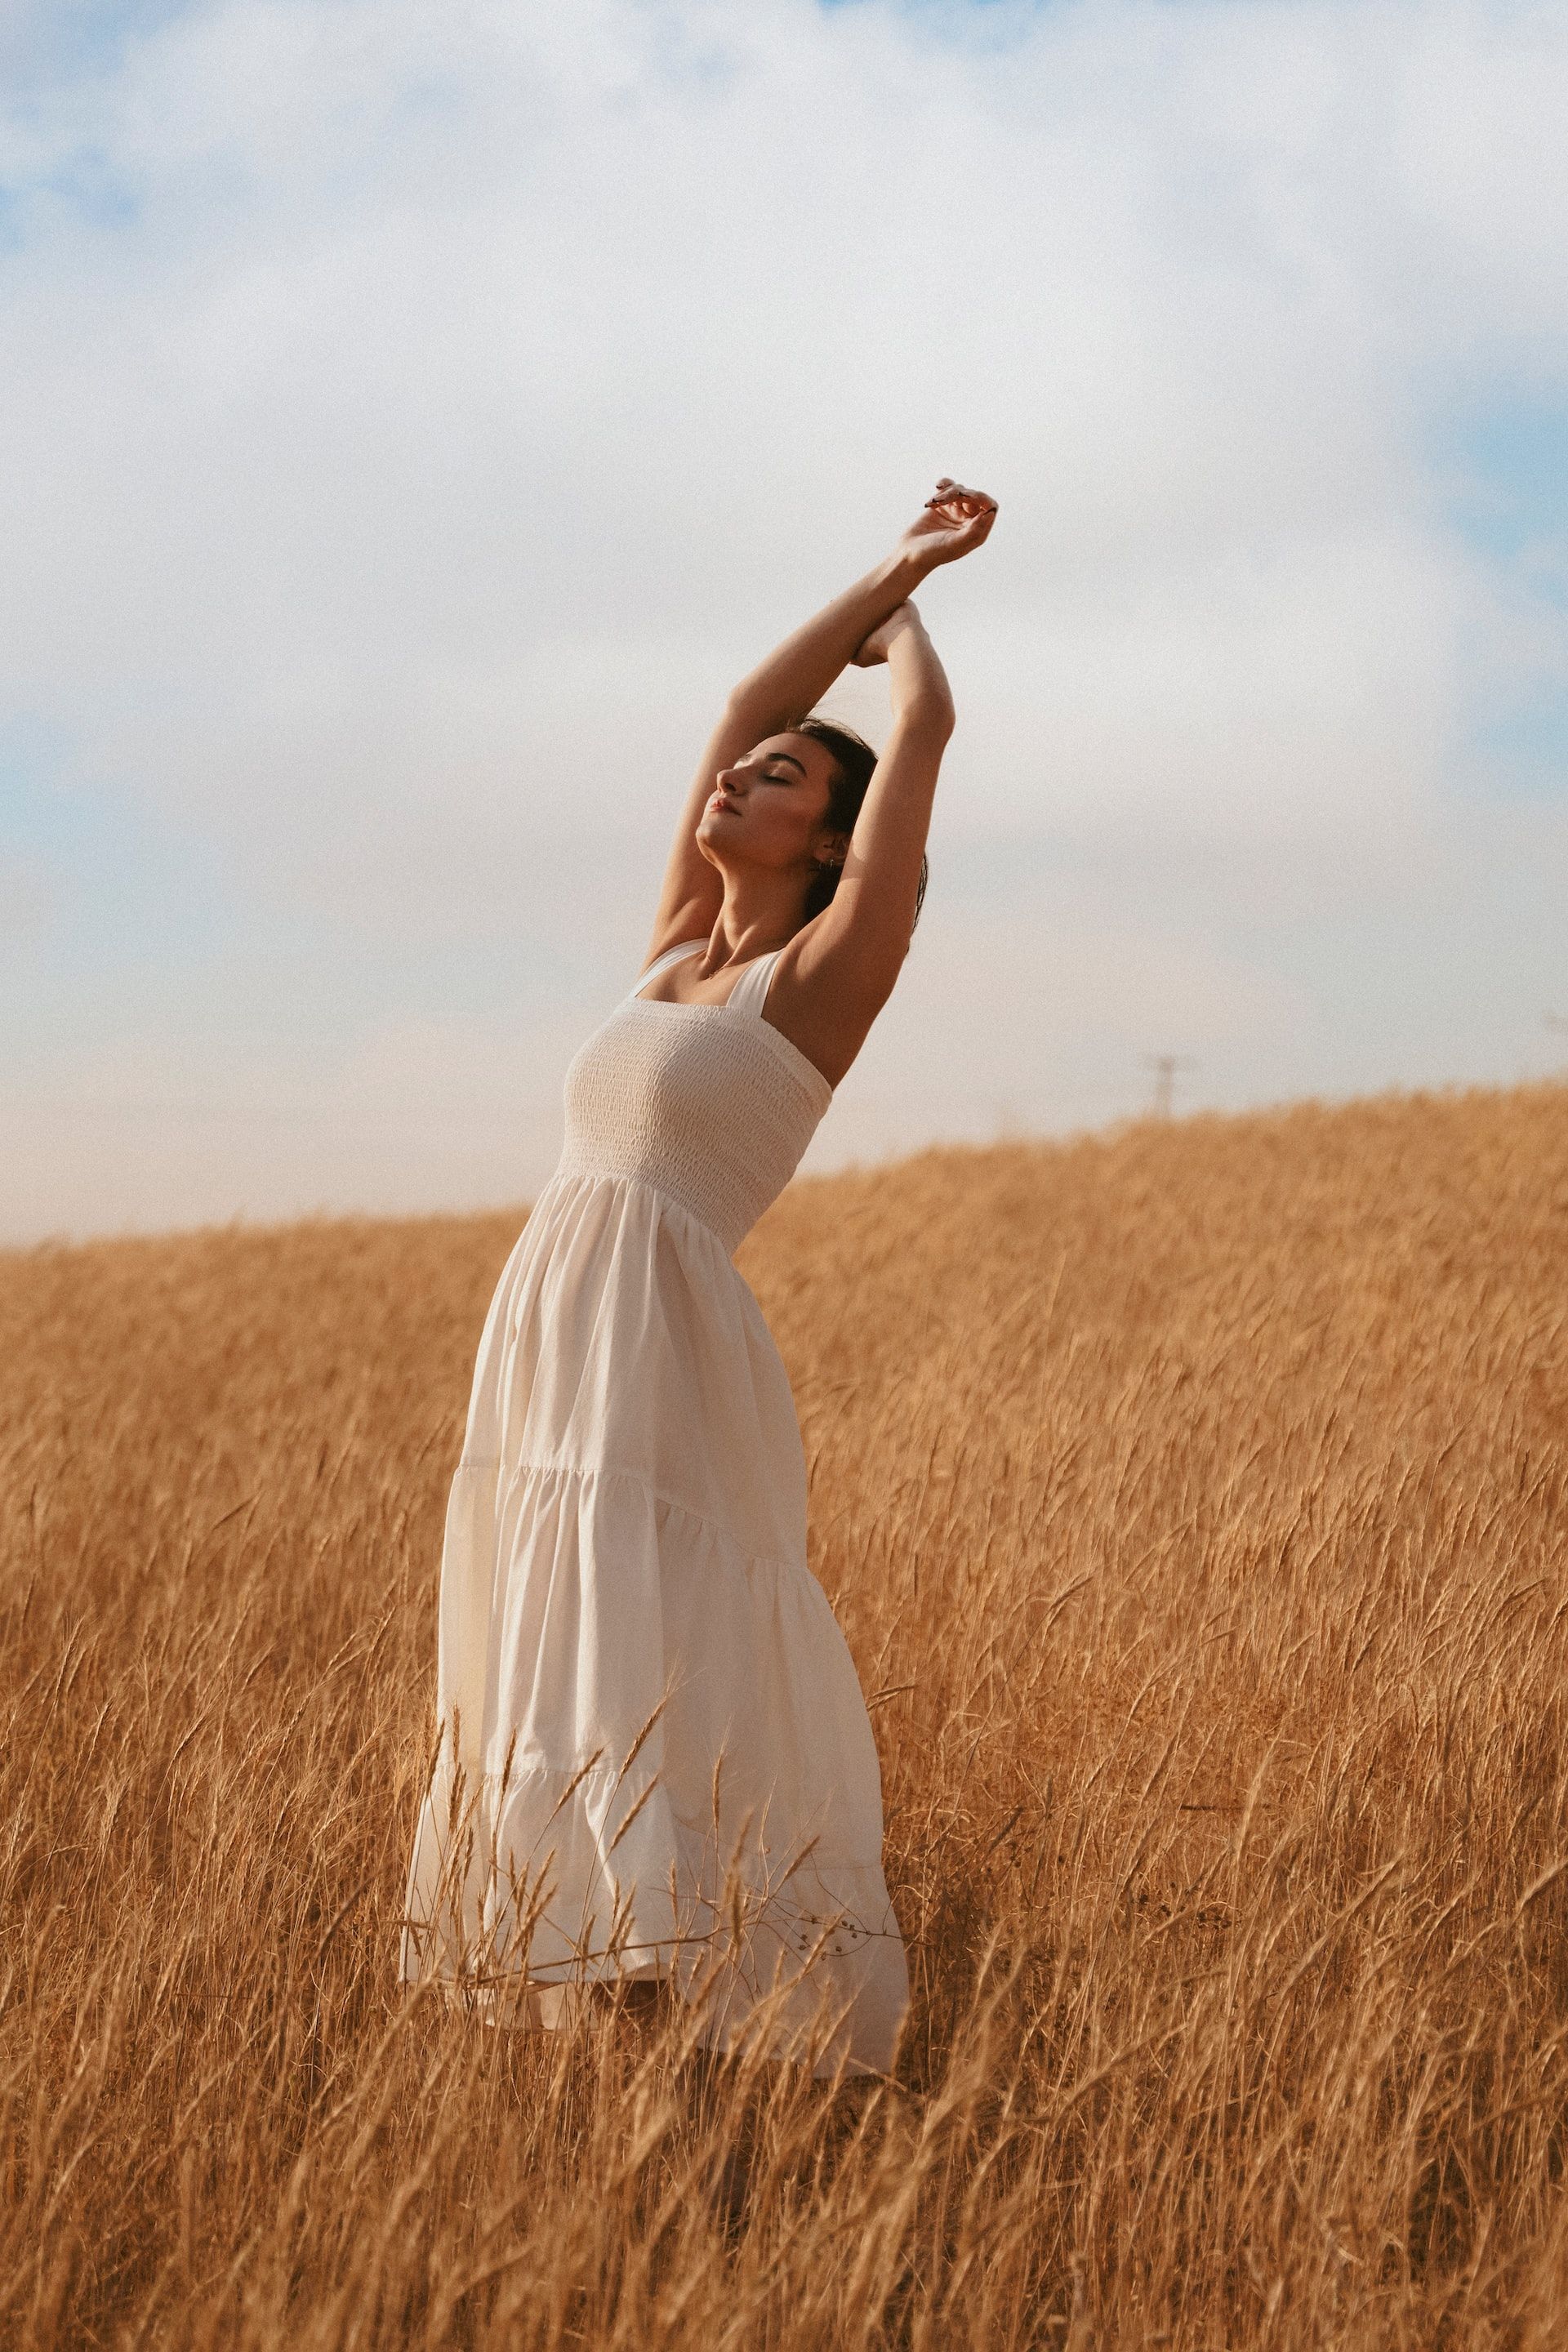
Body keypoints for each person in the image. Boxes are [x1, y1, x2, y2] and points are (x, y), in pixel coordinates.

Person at [402, 479, 999, 2076]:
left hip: (662, 1353)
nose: (740, 773)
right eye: (745, 771)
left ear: (830, 839)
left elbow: (919, 745)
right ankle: (610, 2045)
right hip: (551, 1335)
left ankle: (696, 2038)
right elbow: (746, 698)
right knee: (561, 1651)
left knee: (654, 1666)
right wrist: (869, 573)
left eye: (783, 778)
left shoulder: (821, 979)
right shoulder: (678, 949)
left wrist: (919, 604)